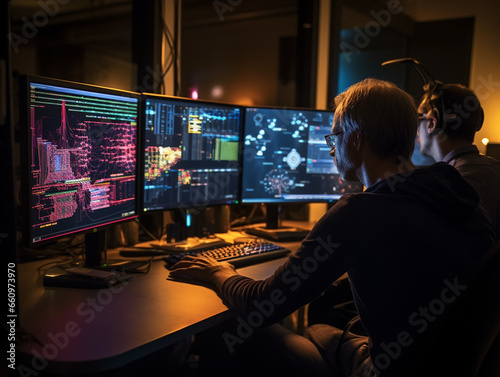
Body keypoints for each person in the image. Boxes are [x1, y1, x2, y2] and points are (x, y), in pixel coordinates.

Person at [168, 79, 496, 376]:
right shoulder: (458, 195)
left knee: (227, 329)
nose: (330, 147)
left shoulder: (360, 212)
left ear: (358, 138)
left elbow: (264, 304)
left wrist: (218, 273)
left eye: (335, 135)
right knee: (318, 330)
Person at [417, 83, 500, 239]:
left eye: (419, 116)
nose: (416, 128)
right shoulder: (492, 170)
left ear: (432, 123)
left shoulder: (452, 187)